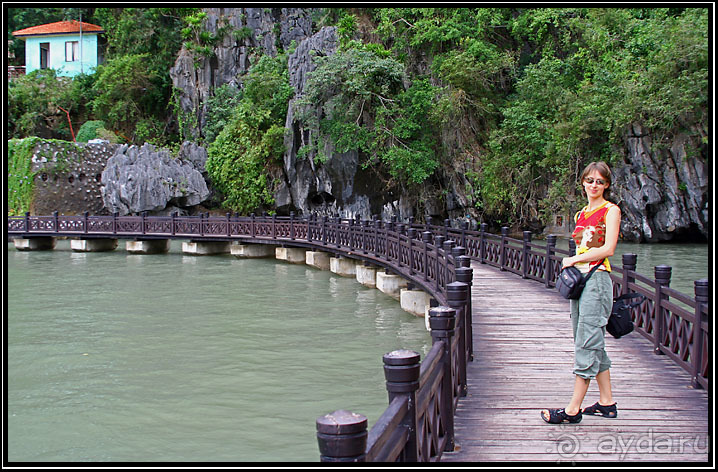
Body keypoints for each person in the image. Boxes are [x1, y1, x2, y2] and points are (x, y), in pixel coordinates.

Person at [541, 161, 621, 424]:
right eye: (590, 180)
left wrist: (575, 261)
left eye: (600, 181)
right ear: (583, 183)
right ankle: (607, 402)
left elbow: (609, 249)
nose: (594, 185)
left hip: (597, 280)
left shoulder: (611, 211)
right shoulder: (580, 214)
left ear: (606, 185)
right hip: (581, 282)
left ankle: (573, 410)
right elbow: (579, 249)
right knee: (586, 338)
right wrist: (575, 264)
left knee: (587, 342)